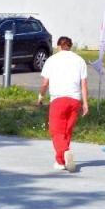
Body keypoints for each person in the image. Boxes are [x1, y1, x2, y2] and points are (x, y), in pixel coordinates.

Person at [38, 35, 88, 172]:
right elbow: (83, 84)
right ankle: (63, 159)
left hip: (58, 99)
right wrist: (85, 103)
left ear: (59, 46)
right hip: (75, 100)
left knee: (56, 131)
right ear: (70, 46)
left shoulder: (51, 60)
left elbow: (45, 83)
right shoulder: (80, 60)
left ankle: (63, 155)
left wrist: (40, 96)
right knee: (67, 131)